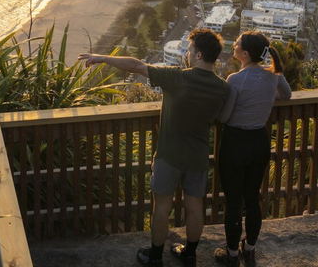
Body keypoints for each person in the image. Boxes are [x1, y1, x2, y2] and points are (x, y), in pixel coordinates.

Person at [79, 28, 229, 267]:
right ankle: (190, 254)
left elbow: (136, 66)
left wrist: (103, 58)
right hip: (198, 157)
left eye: (190, 49)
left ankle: (156, 257)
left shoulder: (177, 77)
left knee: (161, 208)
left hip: (169, 156)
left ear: (199, 55)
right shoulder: (223, 88)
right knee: (195, 208)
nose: (188, 53)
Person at [214, 31, 292, 267]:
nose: (234, 46)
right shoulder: (273, 75)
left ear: (245, 53)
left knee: (234, 202)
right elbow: (287, 95)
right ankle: (249, 250)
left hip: (235, 143)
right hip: (259, 141)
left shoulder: (236, 80)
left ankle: (231, 254)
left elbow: (224, 117)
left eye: (237, 44)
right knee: (252, 197)